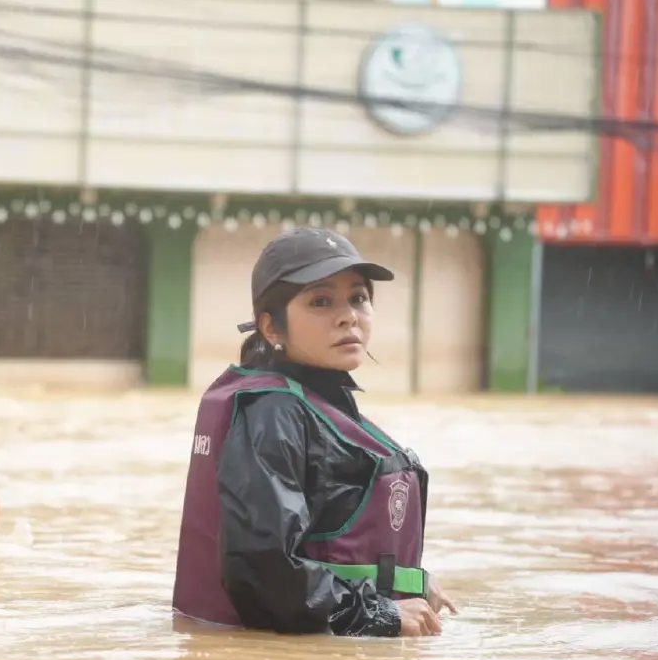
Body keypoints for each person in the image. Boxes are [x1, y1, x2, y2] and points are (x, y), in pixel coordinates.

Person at [172, 227, 456, 638]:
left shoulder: (313, 404)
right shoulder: (273, 412)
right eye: (321, 301)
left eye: (358, 298)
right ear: (272, 328)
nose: (348, 316)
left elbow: (323, 534)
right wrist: (381, 615)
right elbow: (264, 569)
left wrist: (407, 582)